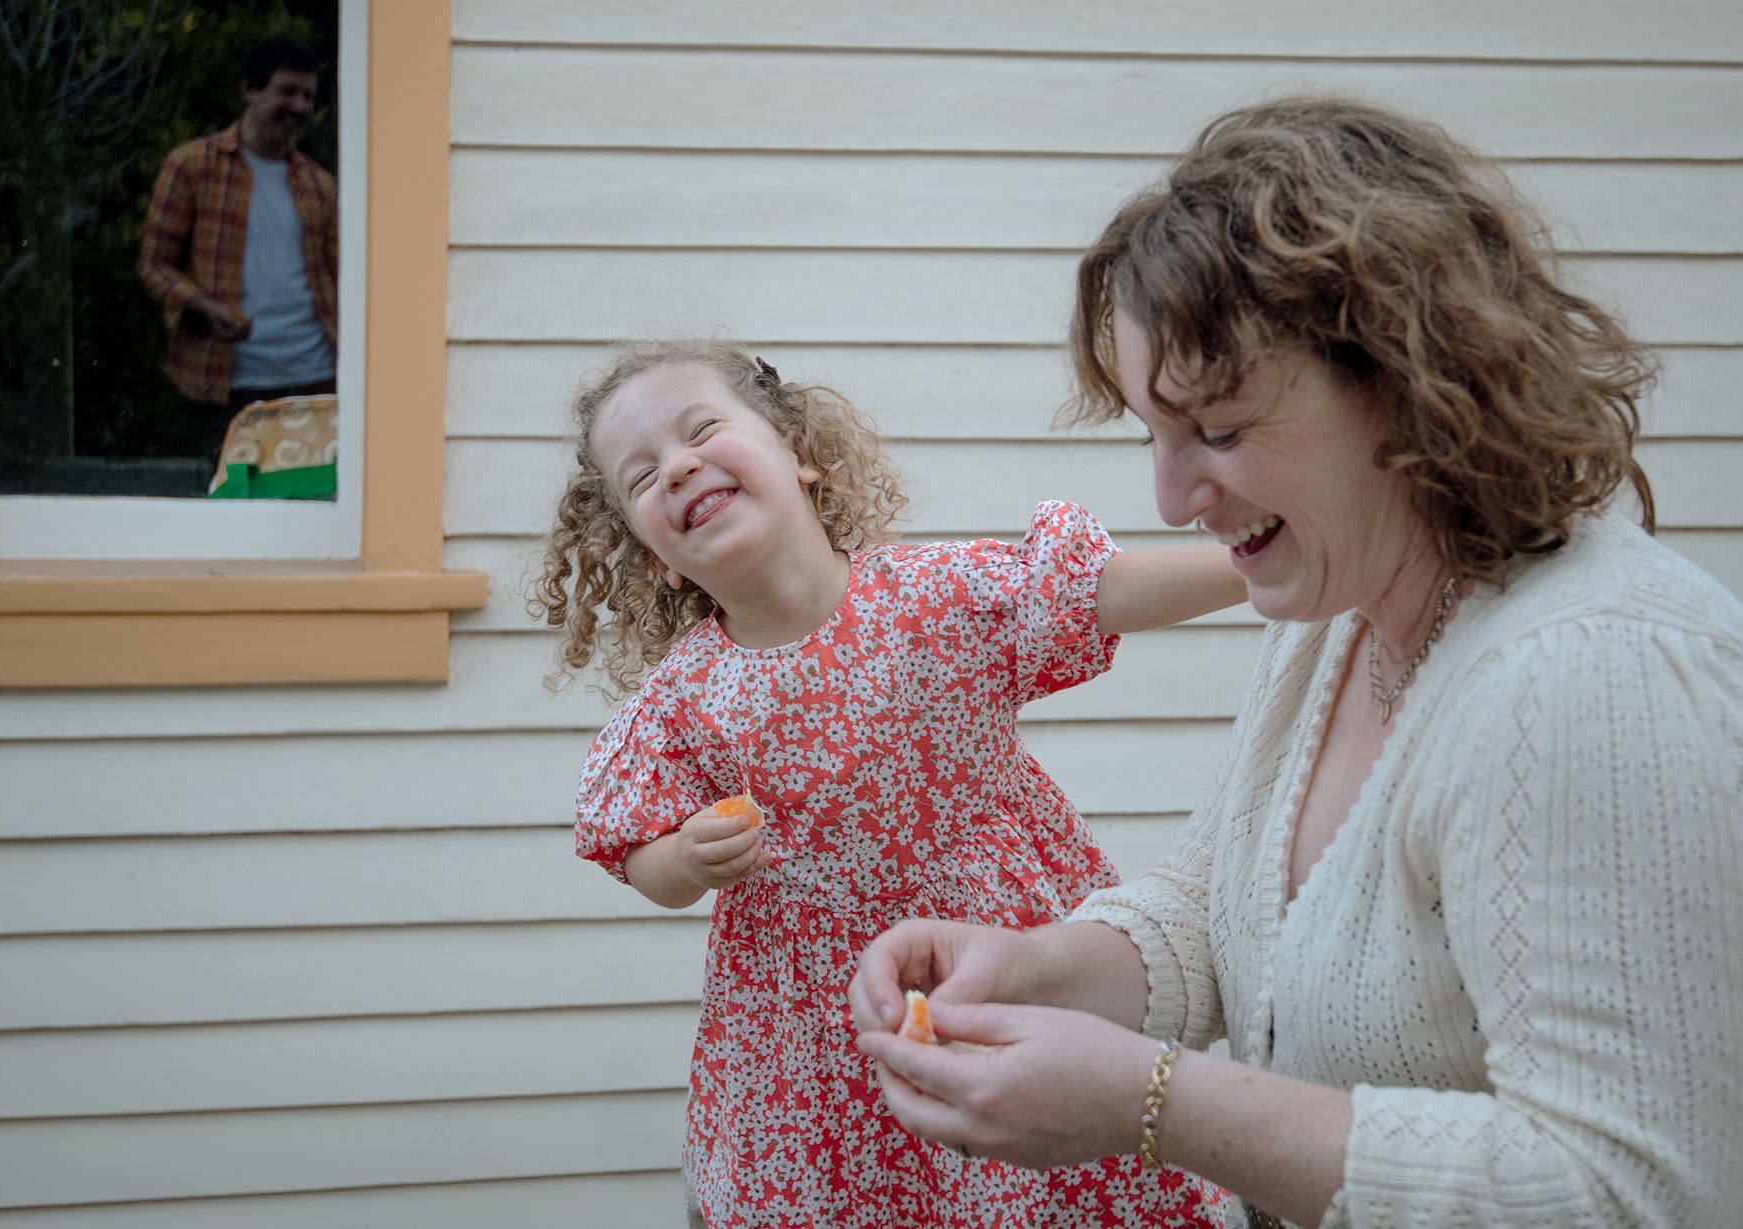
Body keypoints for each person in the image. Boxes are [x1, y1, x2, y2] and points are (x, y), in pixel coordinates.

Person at [849, 94, 1743, 1229]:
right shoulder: (1334, 613)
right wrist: (1033, 966)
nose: (1171, 498)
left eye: (1218, 431)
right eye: (1154, 436)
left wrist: (1156, 1103)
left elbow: (1628, 1190)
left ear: (1407, 379)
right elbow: (1218, 912)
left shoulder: (1592, 677)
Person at [532, 339, 1246, 1228]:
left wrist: (1255, 568)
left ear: (802, 453)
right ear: (656, 560)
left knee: (1042, 1166)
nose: (676, 466)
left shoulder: (931, 596)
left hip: (999, 947)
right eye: (642, 476)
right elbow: (636, 849)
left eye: (702, 429)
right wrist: (685, 858)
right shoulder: (685, 698)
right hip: (814, 1030)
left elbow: (1101, 591)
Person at [138, 34, 338, 473]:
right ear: (249, 90)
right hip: (225, 380)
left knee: (313, 500)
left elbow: (345, 278)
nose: (300, 106)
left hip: (317, 378)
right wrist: (202, 305)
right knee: (233, 503)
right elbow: (154, 263)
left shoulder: (320, 185)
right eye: (287, 91)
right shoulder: (191, 166)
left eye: (308, 96)